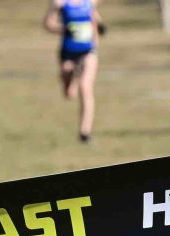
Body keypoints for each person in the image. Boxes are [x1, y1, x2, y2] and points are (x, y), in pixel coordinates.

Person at [45, 0, 103, 143]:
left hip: (89, 50)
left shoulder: (89, 2)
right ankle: (72, 76)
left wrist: (100, 28)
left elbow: (93, 17)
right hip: (68, 52)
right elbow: (48, 24)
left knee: (85, 86)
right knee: (70, 93)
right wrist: (64, 28)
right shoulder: (59, 3)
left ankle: (85, 132)